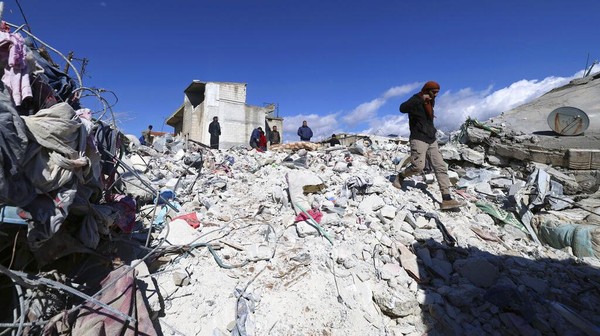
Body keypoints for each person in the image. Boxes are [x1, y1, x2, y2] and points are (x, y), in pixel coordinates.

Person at [394, 81, 466, 210]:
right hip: (418, 138)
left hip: (431, 139)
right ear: (427, 90)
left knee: (440, 166)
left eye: (438, 92)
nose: (436, 95)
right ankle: (400, 176)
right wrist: (421, 99)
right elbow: (402, 108)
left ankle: (446, 198)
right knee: (418, 166)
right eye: (434, 92)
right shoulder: (417, 98)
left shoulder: (431, 101)